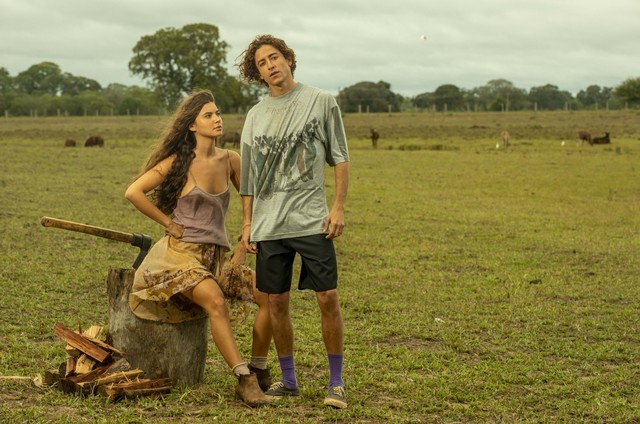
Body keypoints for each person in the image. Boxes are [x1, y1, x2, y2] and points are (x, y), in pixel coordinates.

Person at [124, 89, 272, 407]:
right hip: (179, 257)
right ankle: (243, 379)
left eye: (218, 113)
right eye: (208, 115)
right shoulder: (177, 162)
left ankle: (259, 368)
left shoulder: (231, 159)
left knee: (269, 297)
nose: (217, 119)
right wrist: (167, 222)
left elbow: (252, 198)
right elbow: (134, 191)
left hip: (217, 257)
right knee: (215, 302)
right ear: (192, 125)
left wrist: (247, 235)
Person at [236, 35, 350, 409]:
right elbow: (249, 177)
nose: (270, 65)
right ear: (257, 73)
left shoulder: (320, 101)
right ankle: (289, 381)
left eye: (274, 57)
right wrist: (248, 223)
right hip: (269, 227)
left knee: (327, 297)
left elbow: (341, 157)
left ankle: (336, 383)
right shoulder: (255, 116)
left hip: (312, 221)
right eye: (261, 63)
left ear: (288, 59)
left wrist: (339, 207)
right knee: (277, 303)